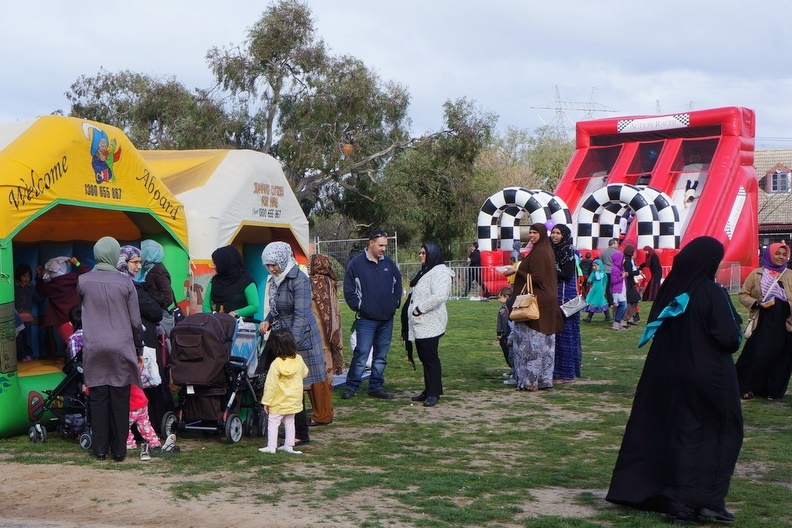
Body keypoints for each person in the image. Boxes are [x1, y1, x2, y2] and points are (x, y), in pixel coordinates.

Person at [606, 236, 743, 525]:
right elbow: (729, 338)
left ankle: (674, 497)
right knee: (714, 435)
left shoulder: (671, 291)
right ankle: (702, 500)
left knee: (675, 433)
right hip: (707, 376)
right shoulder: (711, 293)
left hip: (667, 374)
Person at [78, 236, 145, 461]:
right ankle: (119, 451)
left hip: (94, 346)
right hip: (121, 346)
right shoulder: (126, 283)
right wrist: (139, 349)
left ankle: (99, 449)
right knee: (119, 397)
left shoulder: (83, 281)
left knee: (97, 397)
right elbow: (136, 322)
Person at [259, 242, 325, 446]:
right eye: (268, 265)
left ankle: (300, 433)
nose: (271, 269)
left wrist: (291, 346)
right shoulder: (275, 280)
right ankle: (287, 427)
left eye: (274, 264)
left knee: (293, 384)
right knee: (277, 379)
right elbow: (277, 306)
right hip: (280, 335)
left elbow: (301, 315)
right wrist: (268, 319)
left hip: (298, 338)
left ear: (283, 260)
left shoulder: (299, 280)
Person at [118, 245, 173, 433]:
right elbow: (155, 311)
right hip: (141, 343)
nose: (139, 266)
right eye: (135, 262)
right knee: (148, 384)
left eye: (140, 262)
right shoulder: (131, 287)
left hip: (124, 343)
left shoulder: (117, 284)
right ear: (123, 263)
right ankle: (150, 427)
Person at [502, 224, 563, 391]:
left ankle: (529, 381)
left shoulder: (540, 253)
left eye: (535, 232)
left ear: (542, 234)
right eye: (530, 232)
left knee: (530, 345)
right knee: (545, 345)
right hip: (546, 302)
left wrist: (515, 272)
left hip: (537, 302)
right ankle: (543, 380)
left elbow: (537, 278)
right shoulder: (545, 250)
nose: (531, 235)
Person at [342, 229, 402, 400]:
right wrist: (359, 306)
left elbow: (397, 284)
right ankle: (351, 386)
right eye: (381, 245)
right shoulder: (357, 264)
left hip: (386, 319)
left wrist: (394, 303)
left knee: (381, 356)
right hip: (366, 320)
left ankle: (376, 386)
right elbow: (349, 289)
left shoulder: (389, 264)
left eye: (385, 245)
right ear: (371, 243)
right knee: (361, 353)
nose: (383, 248)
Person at [735, 242, 792, 400]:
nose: (781, 257)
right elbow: (743, 295)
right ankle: (744, 387)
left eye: (783, 254)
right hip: (763, 320)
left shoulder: (789, 275)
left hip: (785, 322)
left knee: (780, 356)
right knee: (756, 353)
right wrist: (756, 302)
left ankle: (771, 390)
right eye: (777, 253)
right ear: (769, 254)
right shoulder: (757, 274)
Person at [403, 242, 454, 407]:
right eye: (420, 252)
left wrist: (419, 309)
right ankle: (429, 389)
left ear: (432, 254)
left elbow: (439, 296)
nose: (420, 255)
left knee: (430, 358)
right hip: (421, 323)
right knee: (425, 358)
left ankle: (434, 393)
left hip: (430, 322)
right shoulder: (427, 271)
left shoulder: (440, 272)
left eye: (424, 253)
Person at [307, 253, 344, 425]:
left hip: (317, 337)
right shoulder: (331, 283)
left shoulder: (313, 283)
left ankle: (322, 414)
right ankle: (325, 411)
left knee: (316, 376)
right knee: (325, 377)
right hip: (330, 336)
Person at [258, 329, 308, 455]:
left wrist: (266, 401)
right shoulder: (299, 359)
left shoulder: (276, 364)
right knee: (290, 422)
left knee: (273, 422)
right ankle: (289, 445)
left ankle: (271, 446)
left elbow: (270, 385)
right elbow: (305, 373)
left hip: (278, 401)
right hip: (294, 400)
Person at [36, 256, 90, 354]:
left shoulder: (49, 286)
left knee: (69, 342)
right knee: (79, 344)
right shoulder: (73, 279)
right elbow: (87, 274)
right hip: (76, 317)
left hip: (60, 319)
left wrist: (39, 276)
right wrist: (77, 263)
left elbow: (40, 289)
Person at [550, 224, 582, 384]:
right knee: (555, 336)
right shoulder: (552, 250)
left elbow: (567, 275)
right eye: (553, 232)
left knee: (565, 335)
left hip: (565, 297)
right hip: (555, 295)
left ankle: (565, 374)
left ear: (564, 235)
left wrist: (548, 270)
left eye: (558, 233)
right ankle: (555, 371)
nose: (555, 236)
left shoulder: (567, 250)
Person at [203, 245, 259, 318]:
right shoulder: (214, 281)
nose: (213, 266)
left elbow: (254, 306)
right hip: (218, 324)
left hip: (242, 325)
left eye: (216, 263)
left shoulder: (246, 280)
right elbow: (205, 306)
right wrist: (213, 315)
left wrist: (236, 313)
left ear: (225, 263)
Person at [126, 384, 178, 461]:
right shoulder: (134, 379)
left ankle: (129, 443)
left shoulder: (124, 382)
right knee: (145, 425)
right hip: (142, 403)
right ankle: (154, 441)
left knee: (125, 425)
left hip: (132, 406)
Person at [137, 240, 175, 314]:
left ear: (149, 253)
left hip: (156, 316)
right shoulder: (148, 269)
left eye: (143, 251)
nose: (140, 254)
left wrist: (153, 309)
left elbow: (168, 298)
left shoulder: (158, 273)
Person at [14, 263, 41, 362]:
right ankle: (21, 355)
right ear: (19, 276)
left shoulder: (31, 287)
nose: (26, 278)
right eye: (24, 276)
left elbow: (38, 298)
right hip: (17, 317)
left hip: (28, 318)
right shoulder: (15, 287)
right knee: (19, 339)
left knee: (28, 338)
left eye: (28, 276)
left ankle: (28, 354)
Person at [496, 287, 514, 383]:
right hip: (504, 334)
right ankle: (512, 368)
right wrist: (499, 333)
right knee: (506, 352)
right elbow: (499, 323)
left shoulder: (509, 309)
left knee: (511, 353)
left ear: (506, 297)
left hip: (510, 334)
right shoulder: (501, 310)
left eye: (500, 297)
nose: (498, 300)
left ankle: (514, 370)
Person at [622, 245, 642, 326]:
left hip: (630, 282)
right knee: (632, 299)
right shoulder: (627, 260)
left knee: (634, 299)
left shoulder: (628, 259)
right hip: (628, 283)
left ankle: (631, 317)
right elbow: (628, 273)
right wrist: (638, 272)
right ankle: (628, 317)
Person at [599, 239, 619, 317]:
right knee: (614, 287)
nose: (618, 245)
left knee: (607, 287)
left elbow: (600, 262)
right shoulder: (618, 252)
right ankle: (614, 301)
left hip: (605, 271)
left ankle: (610, 302)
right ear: (613, 243)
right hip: (614, 271)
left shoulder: (603, 252)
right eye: (617, 243)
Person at [610, 251, 628, 331]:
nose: (624, 260)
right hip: (617, 291)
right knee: (623, 305)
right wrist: (622, 277)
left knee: (622, 306)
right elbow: (614, 280)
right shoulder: (615, 269)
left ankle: (617, 322)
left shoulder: (620, 268)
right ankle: (616, 322)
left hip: (620, 290)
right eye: (623, 259)